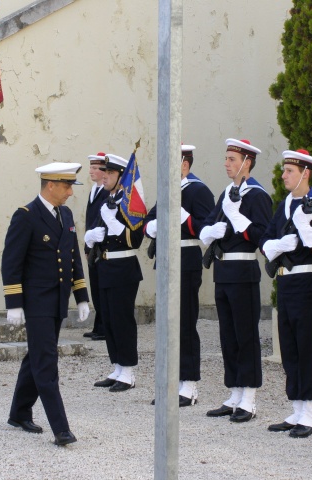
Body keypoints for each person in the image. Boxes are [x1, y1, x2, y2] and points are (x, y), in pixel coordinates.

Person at [1, 162, 90, 447]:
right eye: (66, 187)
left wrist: (82, 295)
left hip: (57, 301)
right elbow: (11, 262)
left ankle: (19, 412)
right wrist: (13, 303)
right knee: (46, 362)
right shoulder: (26, 216)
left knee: (37, 357)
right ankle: (61, 428)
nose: (69, 193)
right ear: (50, 185)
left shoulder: (65, 214)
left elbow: (73, 257)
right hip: (36, 301)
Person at [261, 149, 312, 437]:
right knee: (290, 349)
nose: (283, 175)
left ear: (305, 173)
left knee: (306, 348)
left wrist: (307, 233)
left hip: (307, 284)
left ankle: (309, 414)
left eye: (289, 171)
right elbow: (265, 238)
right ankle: (296, 409)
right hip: (286, 283)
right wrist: (277, 246)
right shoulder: (284, 206)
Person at [199, 138, 273, 422]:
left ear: (247, 162)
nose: (227, 164)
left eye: (232, 159)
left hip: (244, 272)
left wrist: (239, 222)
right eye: (227, 158)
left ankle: (249, 397)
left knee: (246, 335)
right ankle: (234, 392)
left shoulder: (257, 196)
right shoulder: (226, 193)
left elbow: (262, 236)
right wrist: (212, 229)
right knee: (228, 336)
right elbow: (208, 223)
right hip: (223, 272)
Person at [143, 144, 215, 406]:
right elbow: (148, 222)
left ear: (184, 165)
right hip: (165, 260)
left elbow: (206, 229)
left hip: (186, 260)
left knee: (184, 323)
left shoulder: (198, 190)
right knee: (166, 325)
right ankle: (169, 382)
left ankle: (188, 385)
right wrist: (154, 225)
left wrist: (184, 219)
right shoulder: (168, 190)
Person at [85, 153, 145, 392]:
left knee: (122, 320)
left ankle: (128, 372)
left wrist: (115, 224)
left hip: (123, 268)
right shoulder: (105, 200)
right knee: (108, 319)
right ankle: (117, 367)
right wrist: (90, 239)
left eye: (110, 173)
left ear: (121, 177)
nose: (105, 177)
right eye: (105, 172)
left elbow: (136, 239)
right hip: (105, 266)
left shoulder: (130, 203)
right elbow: (98, 232)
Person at [83, 152, 110, 341]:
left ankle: (105, 327)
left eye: (95, 168)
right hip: (92, 245)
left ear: (103, 171)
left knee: (103, 287)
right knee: (95, 286)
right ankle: (98, 325)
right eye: (91, 167)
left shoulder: (108, 192)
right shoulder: (94, 190)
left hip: (102, 246)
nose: (91, 171)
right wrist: (87, 246)